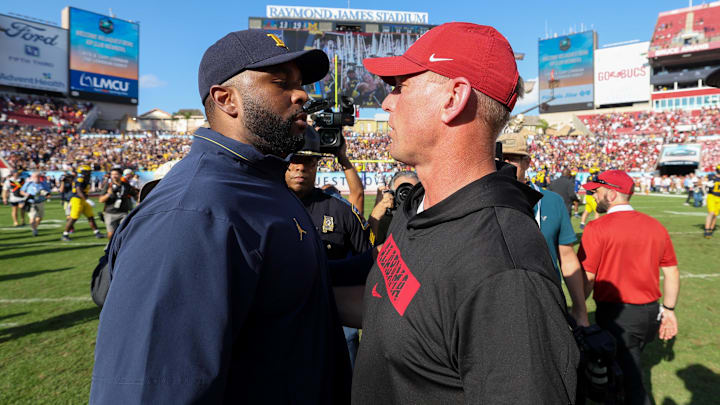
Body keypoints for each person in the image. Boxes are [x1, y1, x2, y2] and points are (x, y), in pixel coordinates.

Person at [91, 30, 359, 404]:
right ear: (226, 99)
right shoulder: (193, 212)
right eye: (281, 83)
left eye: (301, 85)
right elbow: (150, 390)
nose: (303, 96)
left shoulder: (259, 181)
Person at [352, 22, 579, 404]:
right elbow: (386, 304)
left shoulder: (504, 274)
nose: (386, 102)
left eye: (400, 86)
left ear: (453, 98)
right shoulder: (421, 206)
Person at [577, 170, 680, 405]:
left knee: (629, 381)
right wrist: (669, 310)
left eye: (598, 190)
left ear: (611, 194)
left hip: (619, 315)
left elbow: (588, 278)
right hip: (650, 313)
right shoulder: (655, 226)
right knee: (624, 370)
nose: (594, 195)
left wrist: (577, 312)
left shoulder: (597, 228)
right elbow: (671, 271)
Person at [285, 128, 373, 369]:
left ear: (317, 165)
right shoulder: (260, 208)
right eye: (294, 160)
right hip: (282, 319)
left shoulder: (342, 211)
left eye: (309, 161)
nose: (300, 168)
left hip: (336, 316)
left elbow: (366, 263)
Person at [498, 132, 589, 327]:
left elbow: (567, 258)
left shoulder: (551, 201)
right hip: (497, 307)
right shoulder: (479, 201)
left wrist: (580, 309)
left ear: (527, 162)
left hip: (547, 302)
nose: (505, 163)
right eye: (500, 158)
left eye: (513, 158)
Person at [369, 170, 419, 246]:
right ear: (392, 193)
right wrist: (375, 217)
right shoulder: (385, 220)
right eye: (402, 190)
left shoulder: (427, 217)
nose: (407, 196)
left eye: (412, 190)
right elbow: (369, 246)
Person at [62, 165, 103, 241]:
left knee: (90, 216)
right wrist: (87, 200)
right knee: (73, 218)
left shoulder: (85, 178)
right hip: (77, 200)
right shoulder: (80, 179)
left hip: (83, 199)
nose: (90, 173)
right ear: (84, 172)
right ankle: (65, 234)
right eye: (88, 171)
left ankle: (97, 232)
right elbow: (78, 190)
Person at [98, 167, 138, 239]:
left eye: (116, 174)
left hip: (123, 213)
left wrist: (139, 201)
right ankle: (112, 246)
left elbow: (135, 194)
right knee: (111, 234)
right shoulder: (108, 185)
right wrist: (108, 194)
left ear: (120, 175)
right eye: (112, 174)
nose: (114, 176)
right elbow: (101, 200)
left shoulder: (125, 185)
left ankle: (122, 247)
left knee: (125, 232)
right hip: (110, 213)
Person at [19, 171, 52, 236]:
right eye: (35, 176)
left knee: (40, 217)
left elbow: (48, 193)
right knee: (32, 217)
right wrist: (27, 194)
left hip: (40, 202)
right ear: (32, 177)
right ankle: (34, 230)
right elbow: (21, 192)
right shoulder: (28, 183)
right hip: (31, 202)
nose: (36, 178)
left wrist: (46, 194)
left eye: (38, 176)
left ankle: (35, 227)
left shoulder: (43, 183)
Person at [704, 164, 720, 238]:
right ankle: (706, 230)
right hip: (711, 196)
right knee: (711, 212)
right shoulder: (710, 176)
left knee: (715, 215)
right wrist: (706, 185)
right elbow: (702, 183)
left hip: (719, 198)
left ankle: (711, 229)